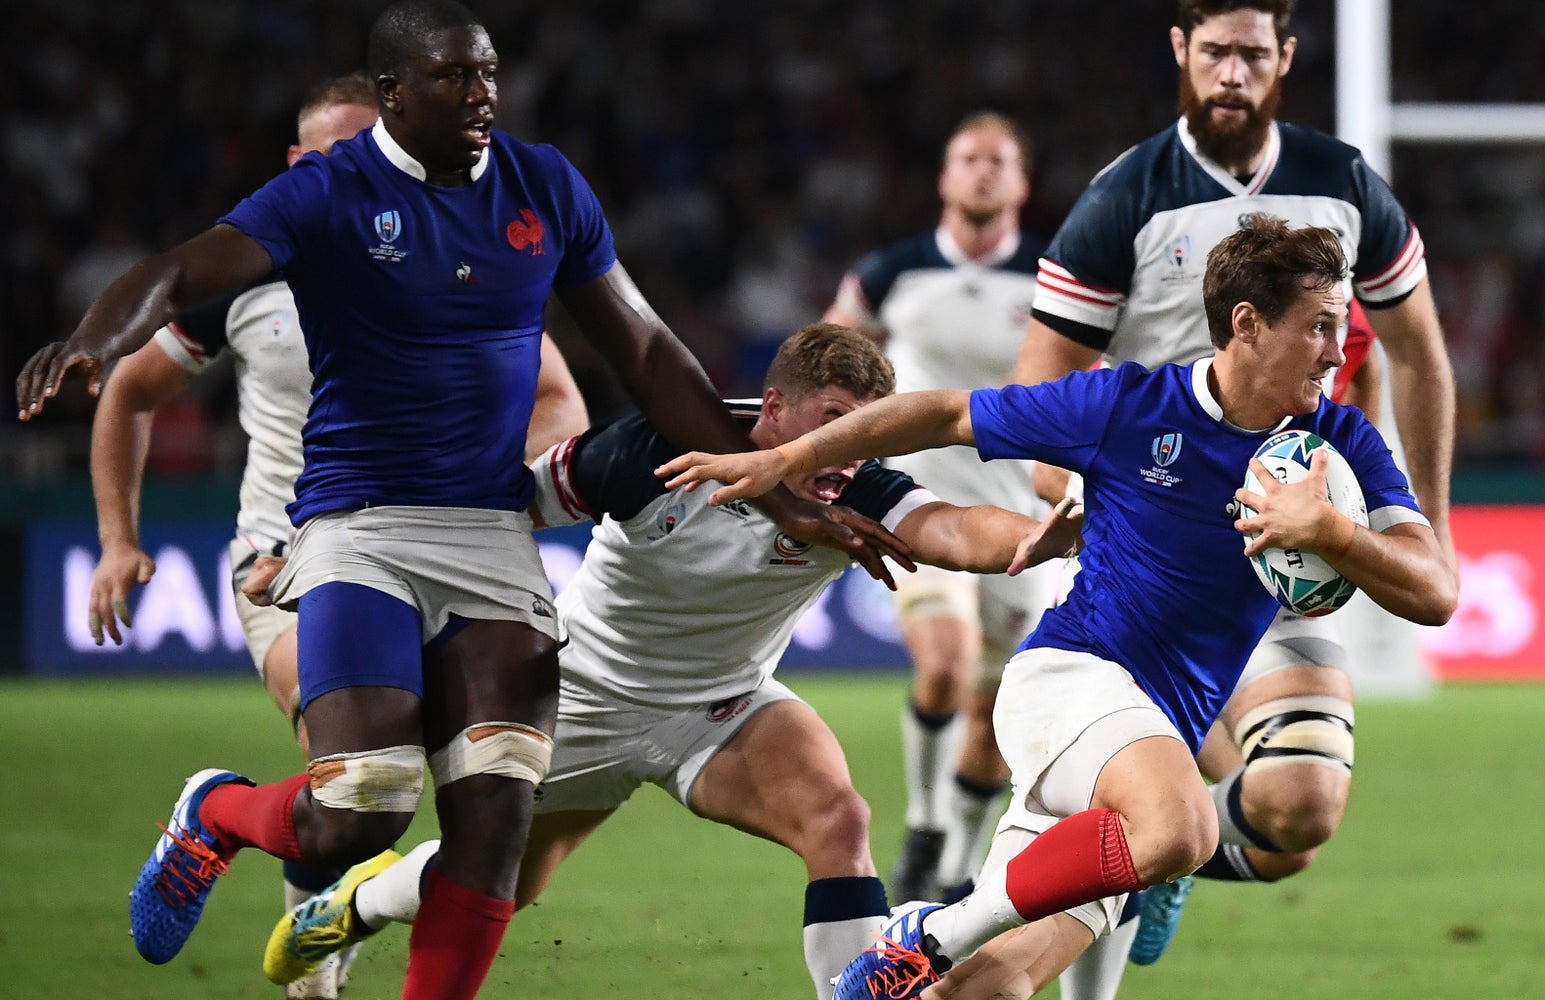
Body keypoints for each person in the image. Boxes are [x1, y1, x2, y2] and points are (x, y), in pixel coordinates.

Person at [14, 4, 907, 999]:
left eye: (487, 73)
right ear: (394, 92)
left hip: (489, 531)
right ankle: (215, 812)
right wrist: (94, 337)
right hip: (362, 525)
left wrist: (776, 496)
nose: (480, 94)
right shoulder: (328, 190)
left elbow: (648, 352)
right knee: (364, 802)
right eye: (453, 77)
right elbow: (183, 269)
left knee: (495, 823)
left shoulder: (543, 185)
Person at [662, 216, 1457, 1000]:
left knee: (994, 987)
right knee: (1183, 829)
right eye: (1319, 327)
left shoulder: (1341, 443)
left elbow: (1434, 591)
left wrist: (1331, 532)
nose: (1337, 352)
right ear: (1247, 324)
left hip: (1153, 736)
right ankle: (930, 932)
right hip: (1072, 682)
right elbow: (946, 415)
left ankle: (935, 953)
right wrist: (789, 457)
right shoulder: (1128, 405)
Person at [265, 323, 1082, 1000]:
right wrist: (348, 553)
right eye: (831, 420)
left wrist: (1043, 538)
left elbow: (951, 528)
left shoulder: (857, 487)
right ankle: (353, 907)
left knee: (839, 819)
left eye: (859, 430)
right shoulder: (655, 449)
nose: (844, 451)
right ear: (773, 409)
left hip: (724, 709)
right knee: (502, 881)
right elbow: (502, 507)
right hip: (581, 698)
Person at [83, 70, 589, 1000]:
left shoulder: (453, 256)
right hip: (285, 560)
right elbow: (131, 389)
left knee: (481, 805)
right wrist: (119, 538)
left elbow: (558, 398)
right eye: (343, 153)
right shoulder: (247, 274)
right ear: (296, 166)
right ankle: (238, 846)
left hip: (453, 545)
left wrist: (500, 488)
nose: (369, 174)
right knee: (358, 787)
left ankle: (327, 920)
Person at [1010, 0, 1457, 975]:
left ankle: (1168, 848)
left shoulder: (1343, 184)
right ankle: (1020, 901)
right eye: (1213, 51)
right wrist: (1085, 495)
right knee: (1126, 798)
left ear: (1284, 57)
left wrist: (1426, 521)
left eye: (1252, 53)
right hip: (1155, 549)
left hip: (1285, 536)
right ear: (1181, 49)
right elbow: (1041, 391)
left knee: (1300, 808)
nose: (1231, 73)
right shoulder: (1126, 196)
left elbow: (1419, 354)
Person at [822, 111, 1055, 904]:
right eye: (969, 158)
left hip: (1019, 522)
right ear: (945, 177)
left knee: (994, 715)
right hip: (916, 505)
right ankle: (924, 823)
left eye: (998, 160)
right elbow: (826, 363)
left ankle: (955, 865)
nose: (983, 171)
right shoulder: (891, 274)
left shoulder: (1055, 281)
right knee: (945, 664)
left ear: (1021, 182)